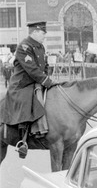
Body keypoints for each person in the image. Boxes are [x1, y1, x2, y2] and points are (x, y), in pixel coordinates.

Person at [1, 22, 56, 151]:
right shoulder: (24, 47)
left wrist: (47, 77)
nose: (44, 36)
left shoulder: (40, 47)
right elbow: (31, 69)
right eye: (43, 33)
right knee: (26, 101)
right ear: (35, 32)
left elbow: (44, 65)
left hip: (36, 81)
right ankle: (23, 140)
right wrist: (46, 81)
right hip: (22, 84)